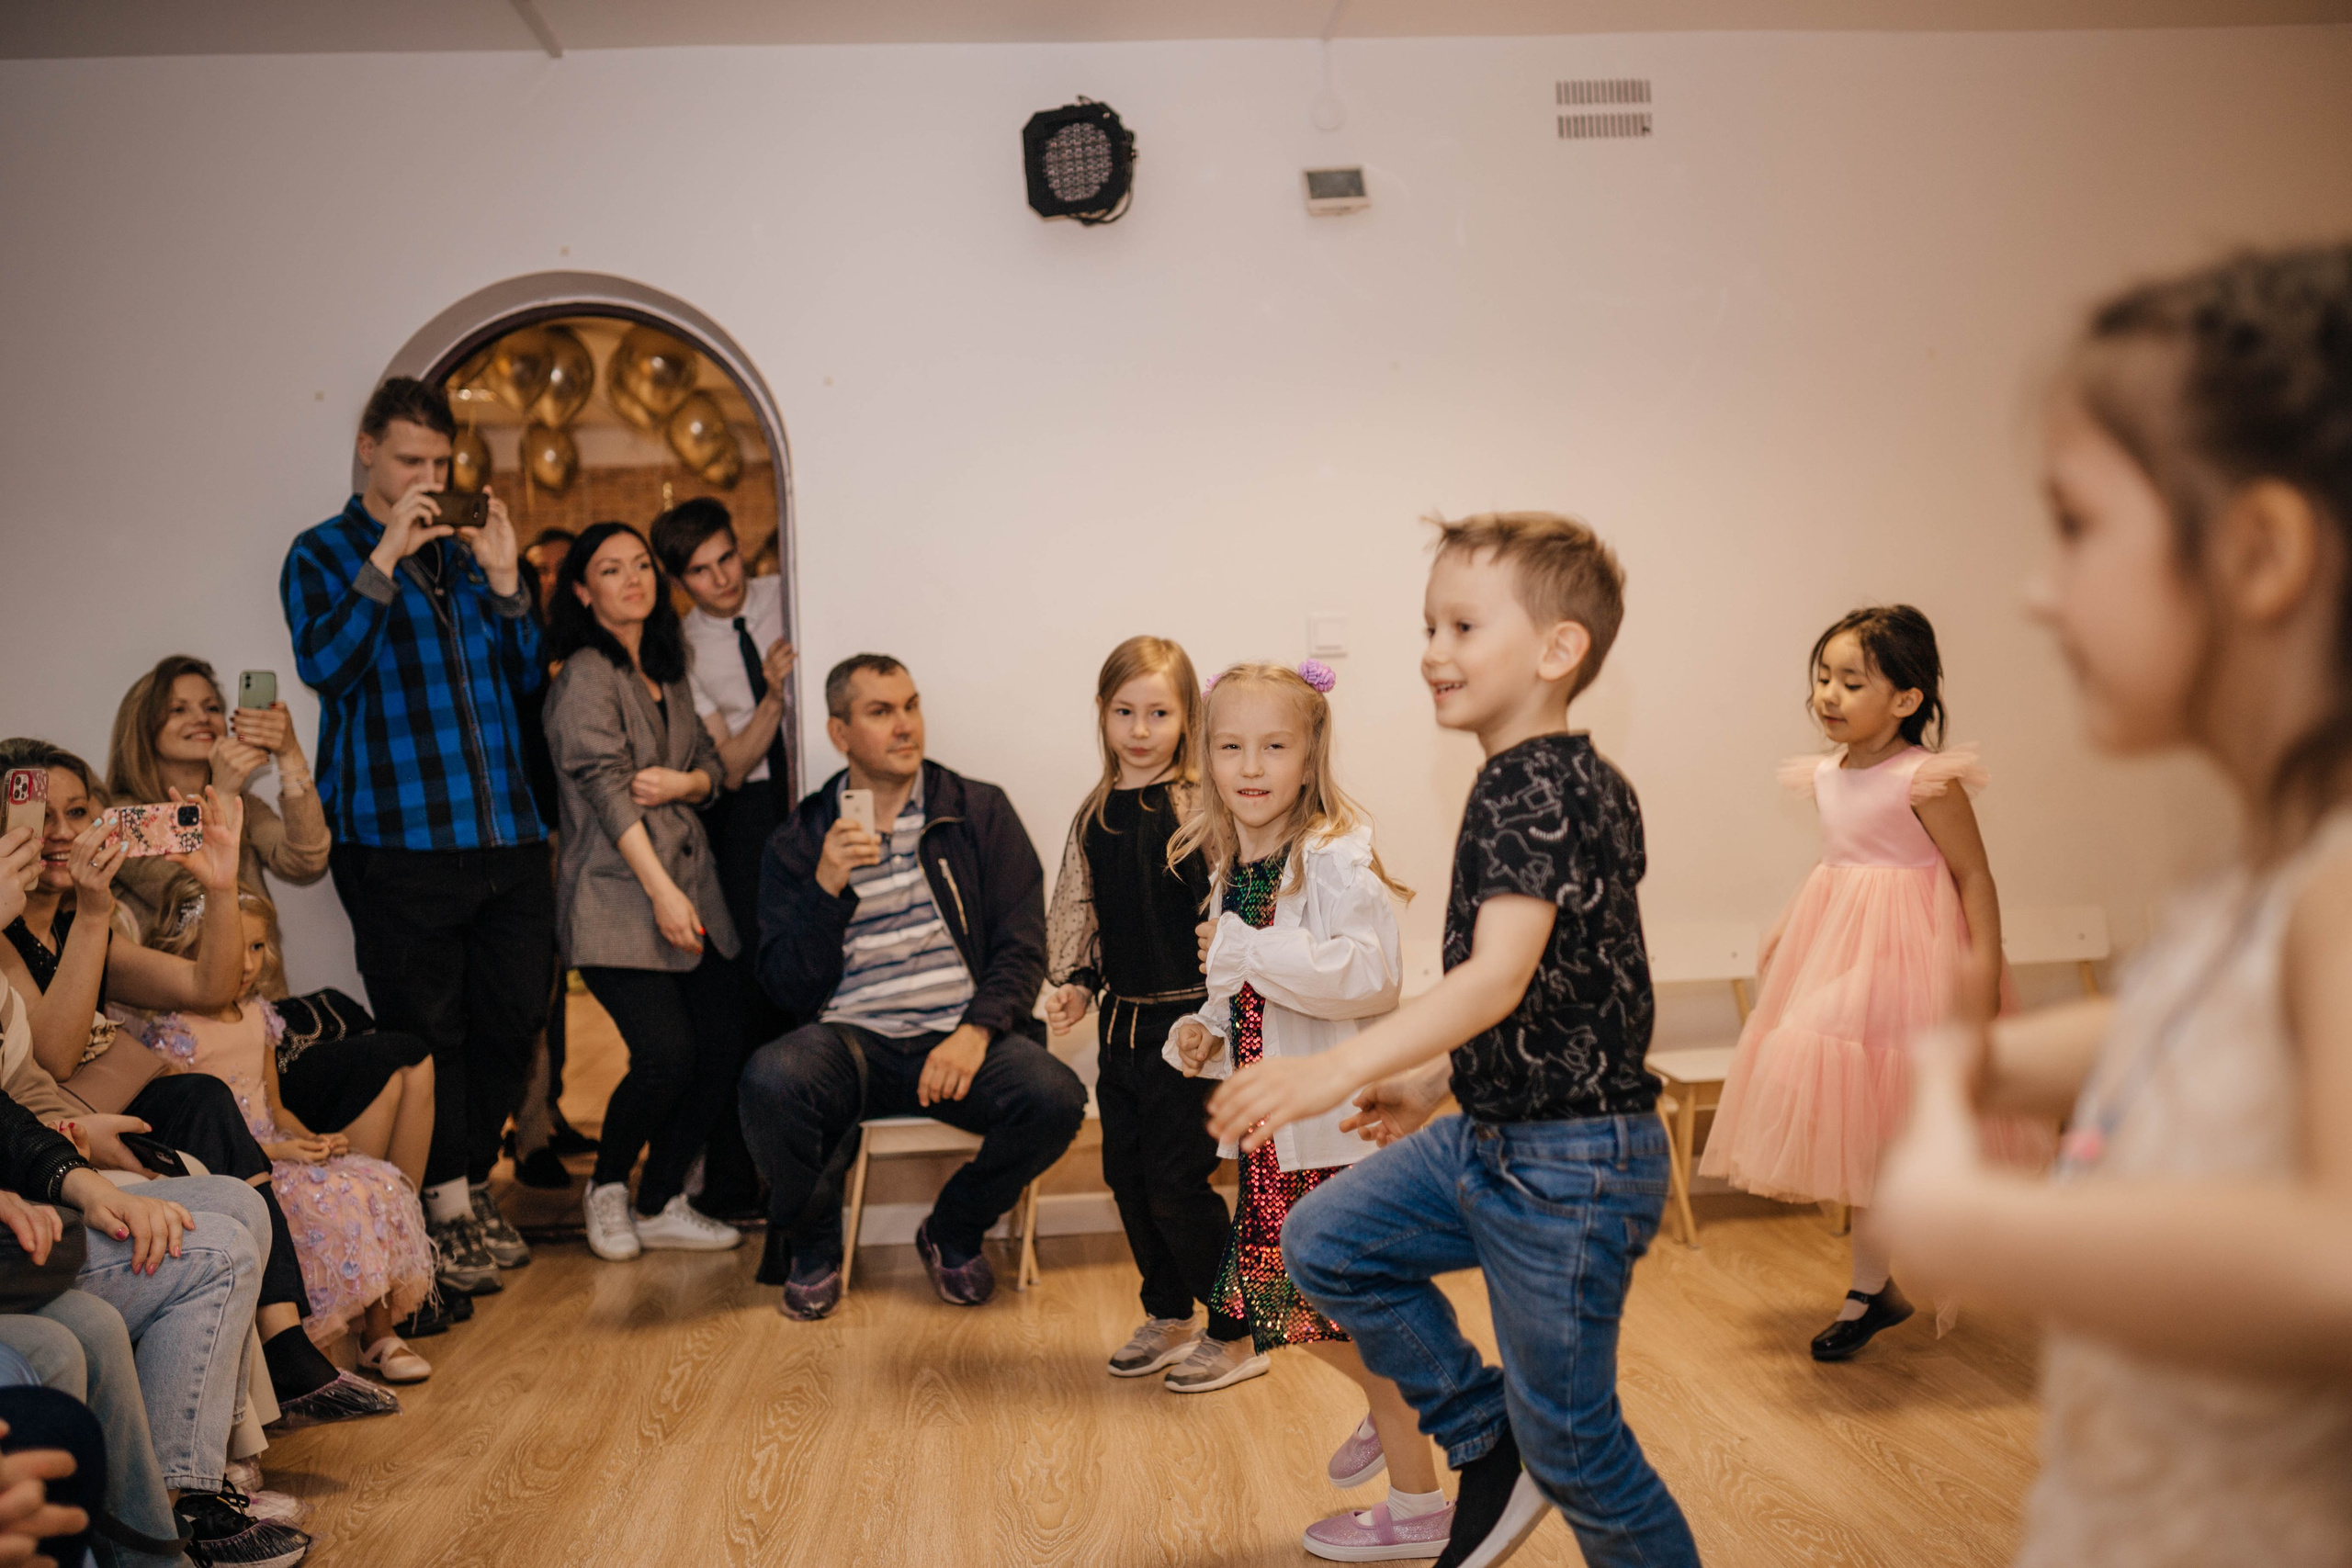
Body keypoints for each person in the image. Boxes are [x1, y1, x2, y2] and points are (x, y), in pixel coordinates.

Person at [1873, 245, 2352, 1566]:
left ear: (2259, 551)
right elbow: (2236, 1019)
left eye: (2075, 527)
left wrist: (1983, 1226)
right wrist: (2008, 1057)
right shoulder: (2266, 867)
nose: (2038, 589)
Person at [1210, 513, 1700, 1568]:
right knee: (1324, 1240)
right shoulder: (1554, 776)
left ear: (1558, 649)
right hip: (1491, 1136)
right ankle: (1486, 1434)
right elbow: (1564, 984)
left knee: (1581, 1449)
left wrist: (1339, 1066)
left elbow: (1497, 975)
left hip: (1570, 1167)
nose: (1433, 651)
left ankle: (1526, 1447)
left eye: (1464, 627)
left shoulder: (1535, 784)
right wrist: (1434, 1078)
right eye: (1428, 626)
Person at [0, 742, 394, 1431]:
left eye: (78, 812)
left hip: (120, 1101)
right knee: (202, 1100)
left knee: (205, 1096)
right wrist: (92, 912)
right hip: (57, 1121)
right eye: (40, 814)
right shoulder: (16, 933)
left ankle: (285, 1343)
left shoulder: (80, 919)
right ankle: (286, 1352)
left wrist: (219, 883)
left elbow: (209, 987)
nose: (61, 832)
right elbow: (54, 1058)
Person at [1156, 661, 1450, 1561]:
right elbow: (1240, 990)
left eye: (1273, 746)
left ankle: (1416, 1499)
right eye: (1230, 746)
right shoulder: (1233, 861)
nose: (1250, 766)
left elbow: (1371, 975)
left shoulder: (1333, 851)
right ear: (1206, 755)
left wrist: (1245, 949)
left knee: (1305, 1300)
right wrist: (1201, 1031)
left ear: (1310, 752)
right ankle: (1391, 1401)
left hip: (1330, 1133)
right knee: (1278, 1297)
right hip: (1271, 1130)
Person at [1697, 606, 2046, 1359]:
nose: (1829, 693)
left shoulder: (1925, 779)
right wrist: (1787, 921)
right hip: (1843, 944)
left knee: (1884, 1110)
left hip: (1915, 957)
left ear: (1906, 699)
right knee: (1854, 1106)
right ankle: (1873, 1285)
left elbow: (1973, 875)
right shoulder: (1828, 774)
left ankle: (1889, 1275)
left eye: (1852, 682)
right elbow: (1839, 858)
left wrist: (1984, 967)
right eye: (1823, 677)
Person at [280, 376, 553, 1296]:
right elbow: (326, 665)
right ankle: (441, 1205)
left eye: (440, 462)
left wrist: (509, 582)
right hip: (395, 839)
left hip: (506, 831)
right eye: (410, 461)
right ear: (367, 450)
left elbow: (526, 680)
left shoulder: (468, 557)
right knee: (430, 1030)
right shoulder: (321, 553)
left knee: (514, 1019)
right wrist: (387, 555)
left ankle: (470, 1181)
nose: (429, 480)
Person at [739, 655, 1086, 1318]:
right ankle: (814, 1244)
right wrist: (825, 887)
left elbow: (1022, 943)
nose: (905, 725)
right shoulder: (801, 838)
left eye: (911, 705)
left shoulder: (976, 811)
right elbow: (784, 985)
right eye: (881, 711)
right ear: (840, 733)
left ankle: (953, 1228)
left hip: (956, 1037)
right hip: (852, 1042)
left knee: (1054, 1097)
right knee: (770, 1080)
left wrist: (975, 1032)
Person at [542, 522, 746, 1261]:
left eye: (640, 565)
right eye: (610, 569)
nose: (632, 579)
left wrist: (685, 782)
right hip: (616, 899)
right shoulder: (584, 675)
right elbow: (605, 790)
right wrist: (661, 893)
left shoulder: (668, 666)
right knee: (665, 1053)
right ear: (581, 590)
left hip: (694, 888)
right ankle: (607, 1188)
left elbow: (713, 770)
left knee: (723, 1046)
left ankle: (659, 1199)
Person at [133, 886, 435, 1383]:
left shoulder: (260, 1016)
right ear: (189, 948)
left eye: (257, 947)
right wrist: (280, 1151)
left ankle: (378, 1335)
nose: (248, 963)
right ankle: (317, 1343)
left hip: (280, 1146)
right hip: (239, 1163)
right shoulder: (174, 1032)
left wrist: (313, 1139)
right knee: (319, 1203)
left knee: (373, 1181)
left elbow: (275, 1106)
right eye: (235, 947)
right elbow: (194, 1136)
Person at [1042, 637, 1240, 1378]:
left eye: (1159, 712)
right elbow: (1085, 912)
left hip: (1188, 1031)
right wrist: (1075, 984)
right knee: (1126, 1176)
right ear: (1102, 712)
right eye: (1124, 711)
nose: (1140, 728)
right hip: (1121, 1028)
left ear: (1188, 716)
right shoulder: (1096, 813)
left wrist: (1220, 1007)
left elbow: (1232, 903)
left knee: (1176, 1180)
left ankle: (1238, 1327)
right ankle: (1169, 1311)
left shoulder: (1198, 809)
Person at [653, 498, 794, 1218]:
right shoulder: (684, 648)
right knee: (750, 988)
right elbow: (731, 766)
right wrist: (772, 695)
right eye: (703, 572)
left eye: (728, 558)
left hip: (816, 791)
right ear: (681, 583)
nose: (724, 579)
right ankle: (736, 1174)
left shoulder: (791, 590)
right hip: (746, 816)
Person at [105, 655, 330, 950]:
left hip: (257, 978)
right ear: (142, 726)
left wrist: (289, 753)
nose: (202, 719)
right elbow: (192, 900)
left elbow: (307, 861)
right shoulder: (122, 818)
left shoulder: (244, 804)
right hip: (181, 978)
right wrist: (221, 795)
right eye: (178, 709)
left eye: (211, 708)